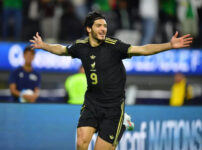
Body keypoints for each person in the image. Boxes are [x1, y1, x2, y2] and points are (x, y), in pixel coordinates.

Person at [30, 11, 192, 150]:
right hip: (92, 103)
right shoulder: (81, 46)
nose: (103, 29)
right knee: (81, 142)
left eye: (105, 26)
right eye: (99, 26)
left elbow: (142, 49)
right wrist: (44, 45)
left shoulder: (114, 46)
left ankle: (121, 124)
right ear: (89, 29)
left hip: (113, 106)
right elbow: (62, 50)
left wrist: (169, 45)